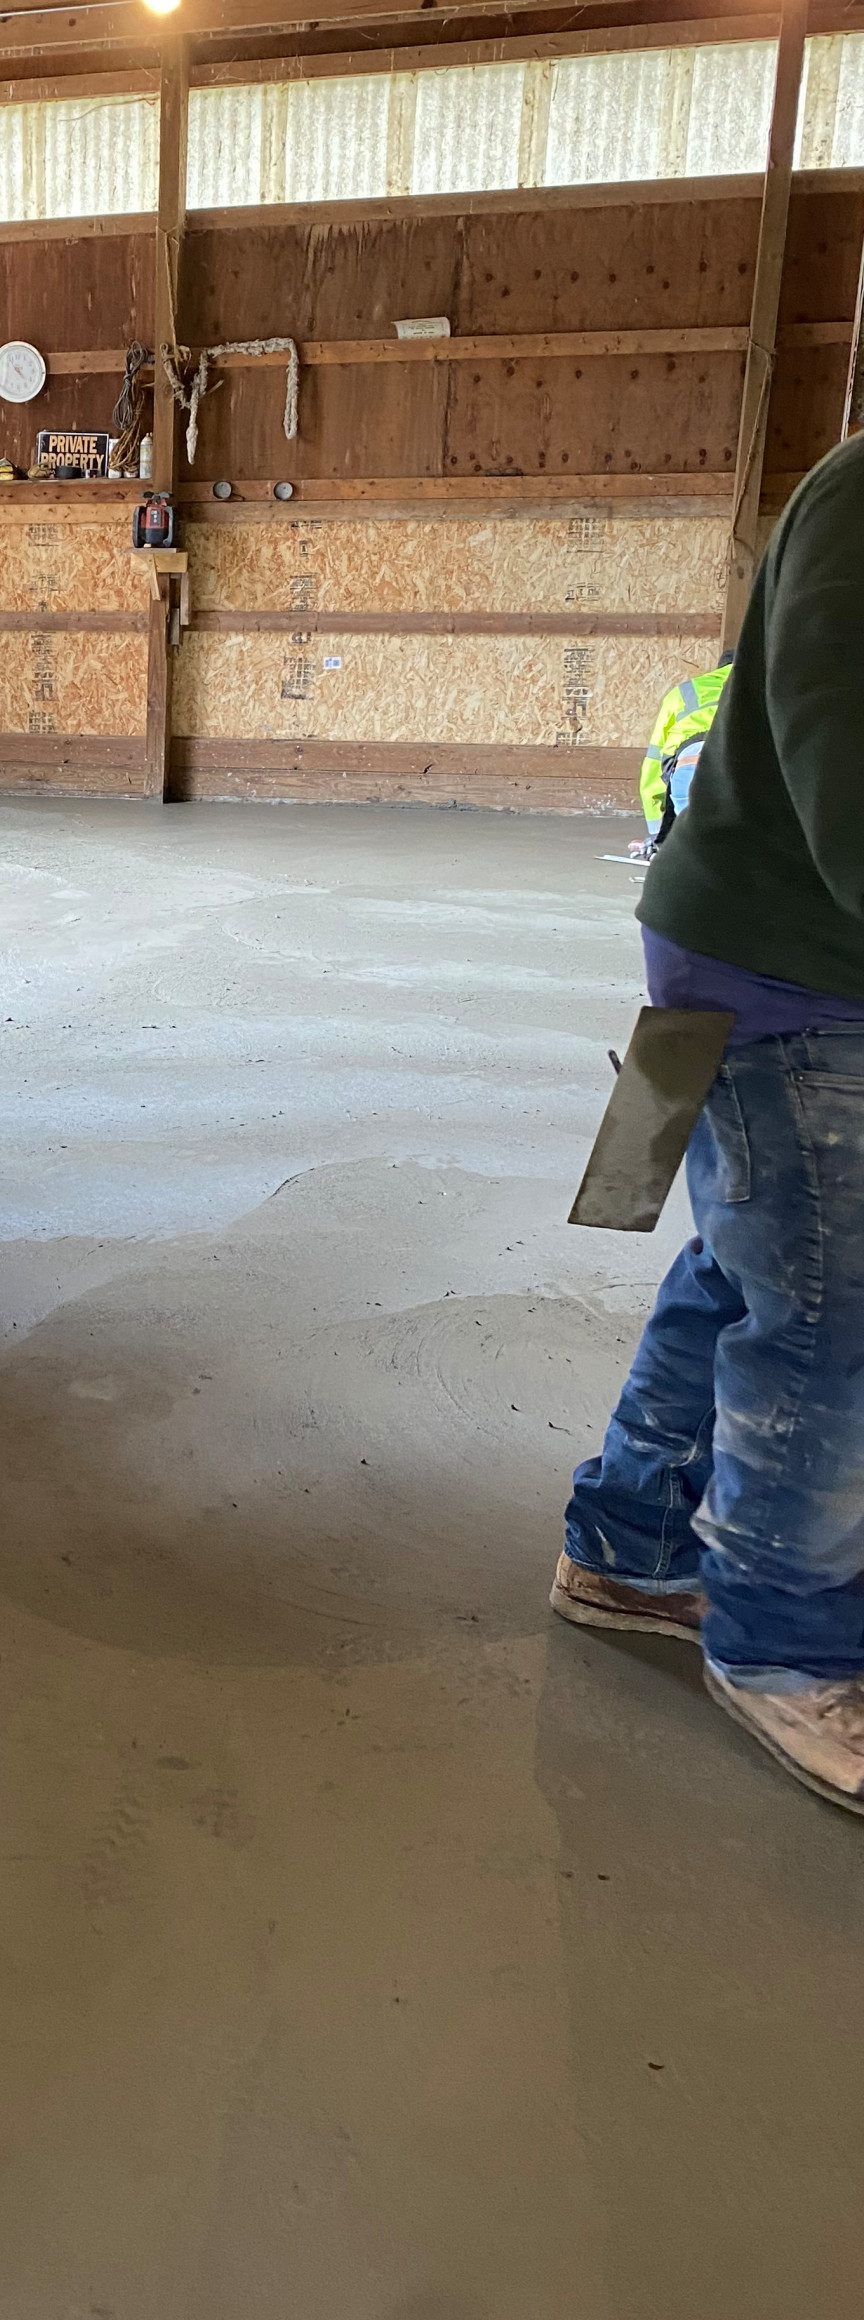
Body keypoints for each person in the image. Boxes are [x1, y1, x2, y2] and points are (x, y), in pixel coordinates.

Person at [551, 432, 864, 1815]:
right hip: (785, 969)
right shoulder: (862, 498)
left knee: (752, 1264)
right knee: (830, 1313)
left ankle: (632, 1544)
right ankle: (783, 1644)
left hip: (766, 959)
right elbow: (846, 773)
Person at [632, 659, 730, 858]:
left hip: (688, 769)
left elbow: (653, 765)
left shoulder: (684, 693)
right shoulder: (765, 689)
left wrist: (658, 838)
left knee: (696, 852)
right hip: (738, 768)